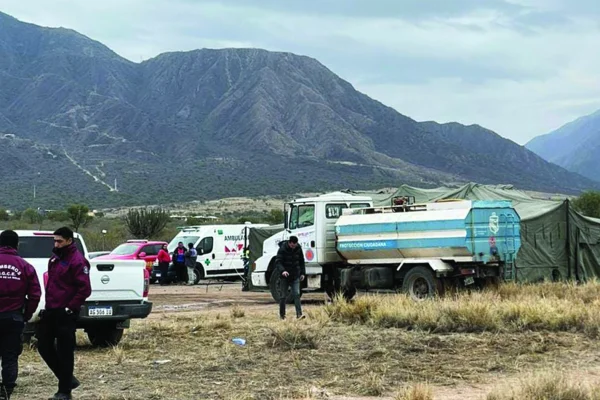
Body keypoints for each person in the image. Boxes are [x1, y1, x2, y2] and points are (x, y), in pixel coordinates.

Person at [37, 227, 91, 400]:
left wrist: (70, 307)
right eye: (55, 240)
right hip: (52, 309)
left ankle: (64, 391)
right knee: (43, 345)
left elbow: (85, 289)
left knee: (65, 350)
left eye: (59, 241)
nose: (56, 243)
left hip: (66, 312)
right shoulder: (54, 258)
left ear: (69, 240)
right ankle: (67, 379)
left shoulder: (77, 261)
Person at [0, 230, 41, 400]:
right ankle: (6, 390)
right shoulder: (25, 266)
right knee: (10, 354)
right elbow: (35, 295)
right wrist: (26, 314)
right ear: (17, 245)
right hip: (14, 317)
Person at [274, 236, 305, 320]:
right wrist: (282, 271)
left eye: (295, 245)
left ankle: (299, 314)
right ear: (289, 242)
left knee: (297, 294)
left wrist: (302, 273)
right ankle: (282, 315)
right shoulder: (282, 249)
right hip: (284, 276)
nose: (293, 247)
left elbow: (301, 261)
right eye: (292, 245)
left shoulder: (298, 248)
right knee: (283, 296)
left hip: (295, 275)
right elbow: (278, 262)